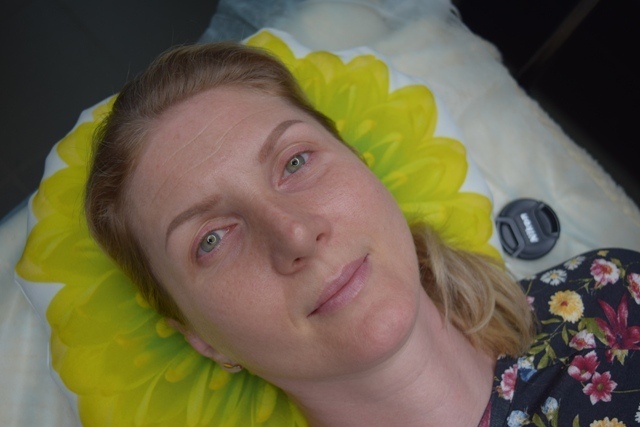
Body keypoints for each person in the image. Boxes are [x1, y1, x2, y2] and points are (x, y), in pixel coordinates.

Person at [85, 42, 640, 426]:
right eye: (211, 239)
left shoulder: (613, 293)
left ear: (362, 165)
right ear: (203, 339)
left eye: (295, 161)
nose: (294, 234)